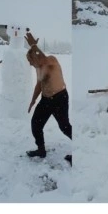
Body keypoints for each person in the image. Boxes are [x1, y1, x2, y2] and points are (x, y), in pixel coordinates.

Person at [24, 32, 72, 164]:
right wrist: (33, 100)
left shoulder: (51, 60)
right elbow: (39, 84)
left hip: (59, 98)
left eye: (30, 60)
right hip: (46, 100)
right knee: (36, 124)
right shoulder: (38, 68)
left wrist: (34, 45)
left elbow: (43, 59)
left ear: (35, 56)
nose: (29, 64)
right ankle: (41, 149)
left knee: (65, 127)